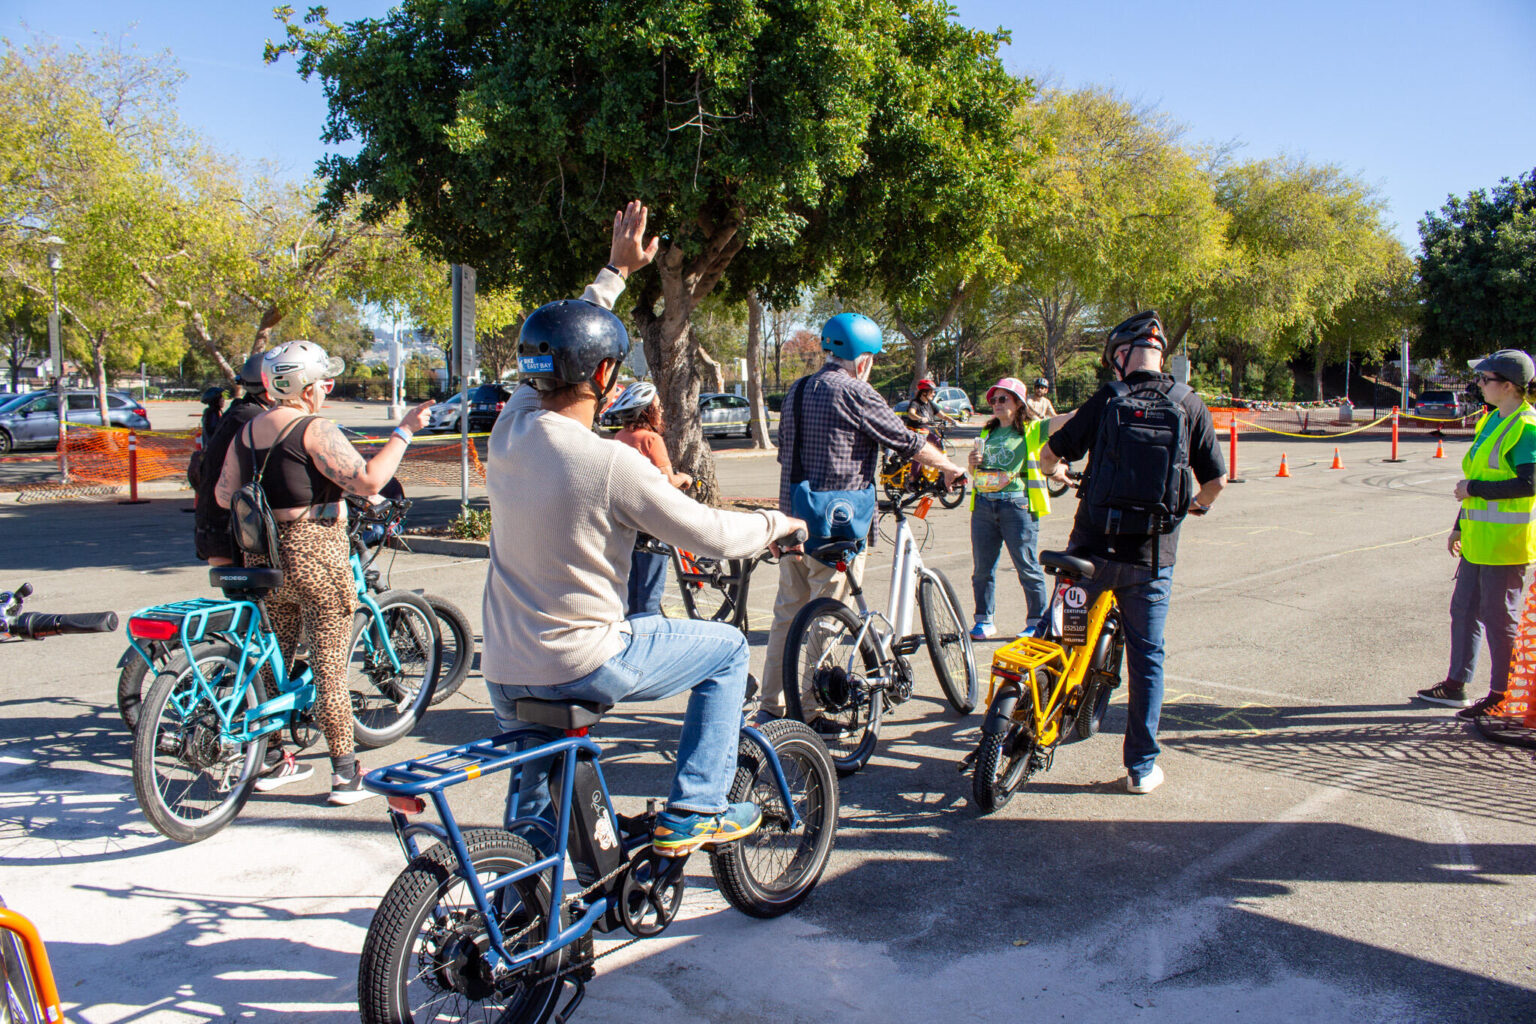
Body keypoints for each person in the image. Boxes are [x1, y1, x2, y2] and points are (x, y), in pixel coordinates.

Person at [482, 200, 808, 857]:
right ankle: (696, 808)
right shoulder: (609, 464)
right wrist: (778, 522)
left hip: (505, 669)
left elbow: (558, 339)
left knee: (536, 805)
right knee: (722, 648)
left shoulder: (509, 428)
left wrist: (614, 271)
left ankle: (524, 896)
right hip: (580, 661)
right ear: (603, 377)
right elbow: (711, 536)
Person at [215, 340, 433, 804]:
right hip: (316, 554)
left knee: (277, 659)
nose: (326, 390)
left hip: (265, 559)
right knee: (329, 668)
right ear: (306, 387)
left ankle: (274, 760)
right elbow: (369, 480)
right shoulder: (314, 429)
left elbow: (223, 494)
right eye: (323, 382)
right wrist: (405, 431)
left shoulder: (248, 433)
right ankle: (345, 774)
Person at [1039, 310, 1225, 795]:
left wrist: (1056, 475)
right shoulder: (1190, 402)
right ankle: (1141, 767)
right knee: (1147, 658)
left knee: (1060, 634)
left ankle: (1036, 724)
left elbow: (1051, 454)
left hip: (1089, 553)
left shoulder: (1109, 398)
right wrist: (1196, 509)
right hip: (1150, 560)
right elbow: (1215, 482)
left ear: (1120, 357)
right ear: (1160, 355)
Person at [761, 315, 969, 716]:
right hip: (836, 526)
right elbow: (907, 442)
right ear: (863, 360)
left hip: (792, 522)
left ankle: (773, 704)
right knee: (826, 618)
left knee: (787, 616)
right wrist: (948, 467)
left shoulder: (796, 391)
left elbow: (784, 456)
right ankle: (811, 708)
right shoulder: (857, 392)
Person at [1417, 349, 1536, 718]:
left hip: (1505, 546)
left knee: (1499, 619)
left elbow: (1529, 483)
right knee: (1464, 609)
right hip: (1478, 539)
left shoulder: (1526, 426)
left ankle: (1502, 694)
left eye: (1484, 380)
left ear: (1508, 385)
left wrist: (1474, 491)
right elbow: (1476, 479)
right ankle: (1456, 685)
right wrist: (1458, 525)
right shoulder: (1491, 421)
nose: (1479, 385)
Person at [967, 377, 1072, 640]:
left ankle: (1036, 621)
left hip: (1017, 506)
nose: (996, 404)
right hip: (983, 504)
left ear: (1018, 402)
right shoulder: (986, 432)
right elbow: (975, 471)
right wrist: (972, 463)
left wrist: (1098, 403)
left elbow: (1066, 419)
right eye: (993, 400)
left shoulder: (1031, 429)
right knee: (982, 568)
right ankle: (984, 620)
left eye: (1003, 399)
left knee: (1026, 565)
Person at [607, 380, 694, 617]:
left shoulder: (621, 437)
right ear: (648, 410)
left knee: (631, 589)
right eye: (658, 405)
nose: (662, 410)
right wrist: (685, 477)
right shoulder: (651, 439)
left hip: (627, 522)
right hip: (652, 525)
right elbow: (666, 483)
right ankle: (647, 639)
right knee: (649, 593)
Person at [195, 356, 272, 566]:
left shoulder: (241, 411)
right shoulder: (255, 419)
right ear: (270, 391)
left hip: (222, 531)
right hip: (231, 534)